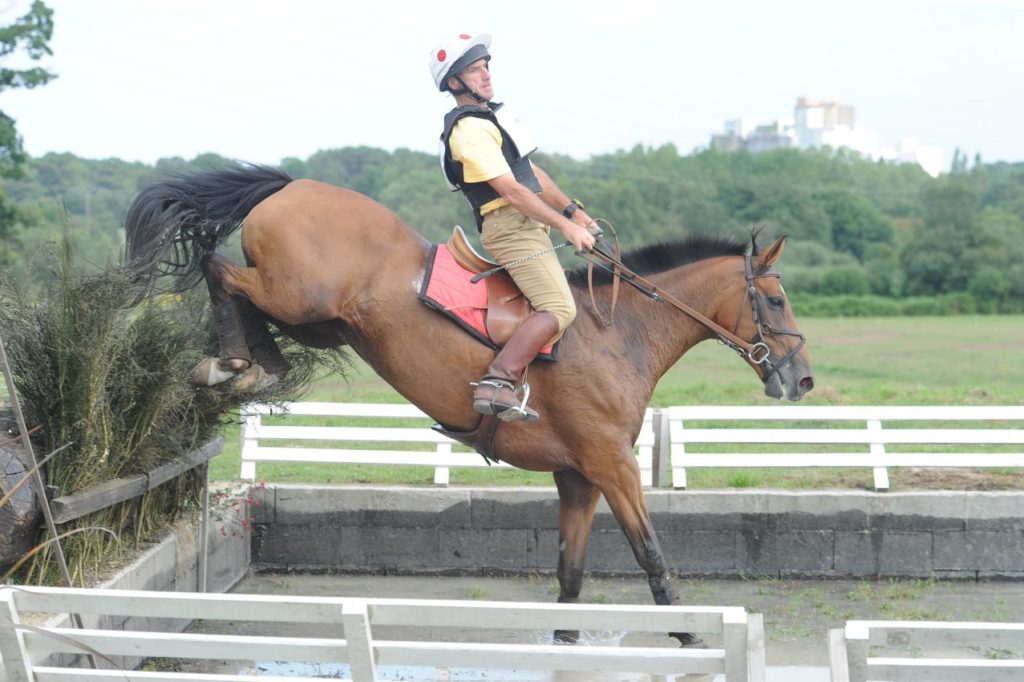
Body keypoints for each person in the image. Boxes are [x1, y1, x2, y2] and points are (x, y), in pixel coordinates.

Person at [430, 32, 599, 423]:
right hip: (508, 226)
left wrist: (575, 212)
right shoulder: (467, 130)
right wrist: (565, 227)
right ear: (454, 83)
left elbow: (531, 174)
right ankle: (498, 382)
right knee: (559, 307)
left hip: (527, 224)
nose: (486, 74)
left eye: (486, 65)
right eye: (474, 69)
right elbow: (512, 191)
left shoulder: (492, 120)